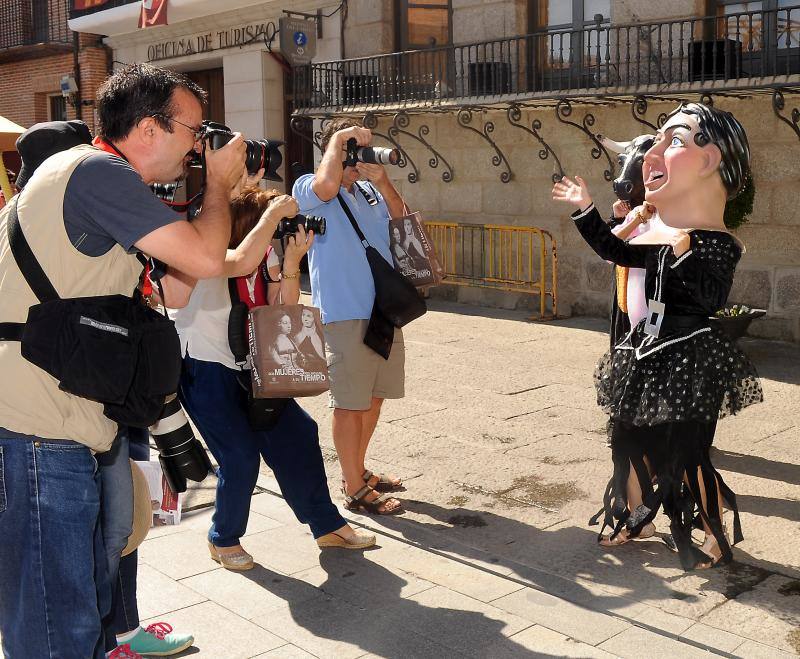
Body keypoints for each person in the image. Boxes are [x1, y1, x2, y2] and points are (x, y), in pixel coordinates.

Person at [0, 62, 246, 658]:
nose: (197, 144)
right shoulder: (96, 172)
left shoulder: (99, 185)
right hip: (40, 431)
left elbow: (179, 288)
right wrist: (217, 185)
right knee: (58, 625)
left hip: (57, 425)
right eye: (193, 129)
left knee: (71, 608)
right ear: (147, 129)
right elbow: (209, 259)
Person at [552, 102, 763, 571]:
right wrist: (585, 210)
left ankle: (715, 537)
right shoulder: (663, 233)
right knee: (625, 441)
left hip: (691, 360)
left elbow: (709, 299)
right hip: (644, 353)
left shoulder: (717, 241)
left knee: (688, 457)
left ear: (709, 162)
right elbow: (615, 250)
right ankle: (635, 517)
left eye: (675, 141)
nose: (653, 155)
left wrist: (683, 249)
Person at [174, 186, 376, 571]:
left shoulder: (264, 253)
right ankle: (224, 537)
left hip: (254, 367)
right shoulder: (210, 256)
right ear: (252, 226)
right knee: (240, 456)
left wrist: (292, 262)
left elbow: (284, 312)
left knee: (298, 434)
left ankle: (326, 524)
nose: (283, 230)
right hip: (205, 367)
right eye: (275, 224)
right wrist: (268, 219)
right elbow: (231, 264)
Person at [292, 118, 407, 516]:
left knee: (374, 399)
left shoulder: (370, 192)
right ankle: (354, 487)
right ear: (335, 152)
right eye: (353, 149)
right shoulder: (309, 186)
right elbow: (327, 185)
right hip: (344, 312)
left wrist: (385, 182)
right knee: (350, 403)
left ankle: (357, 470)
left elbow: (403, 222)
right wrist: (340, 141)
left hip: (384, 310)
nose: (360, 157)